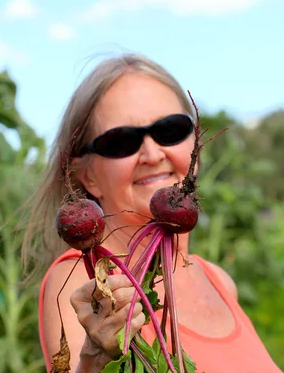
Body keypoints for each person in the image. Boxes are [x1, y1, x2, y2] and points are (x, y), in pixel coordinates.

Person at [22, 53, 281, 373]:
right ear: (88, 177)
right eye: (122, 141)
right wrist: (94, 357)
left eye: (170, 129)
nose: (153, 153)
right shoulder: (84, 283)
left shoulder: (219, 281)